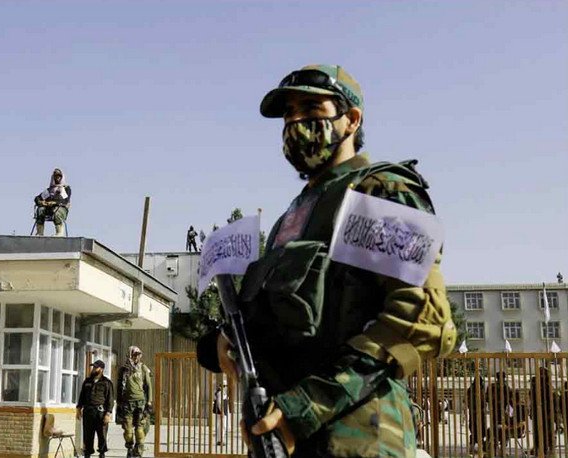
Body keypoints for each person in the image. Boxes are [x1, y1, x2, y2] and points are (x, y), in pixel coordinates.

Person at [195, 64, 456, 457]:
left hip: (360, 440)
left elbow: (420, 319)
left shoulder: (377, 190)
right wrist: (224, 338)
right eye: (289, 113)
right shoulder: (295, 215)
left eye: (311, 109)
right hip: (288, 438)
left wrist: (304, 407)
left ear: (351, 119)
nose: (295, 122)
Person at [116, 346, 153, 457]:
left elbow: (148, 386)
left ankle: (138, 451)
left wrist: (149, 402)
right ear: (129, 355)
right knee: (128, 431)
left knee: (139, 429)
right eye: (134, 355)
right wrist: (119, 403)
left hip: (140, 402)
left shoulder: (143, 368)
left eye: (138, 355)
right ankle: (129, 447)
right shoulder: (123, 370)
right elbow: (119, 386)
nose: (136, 357)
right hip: (127, 403)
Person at [76, 360, 114, 458]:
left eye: (96, 367)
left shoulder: (106, 382)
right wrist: (78, 409)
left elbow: (110, 399)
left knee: (102, 434)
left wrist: (108, 414)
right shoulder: (87, 381)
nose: (93, 369)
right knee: (88, 434)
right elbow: (82, 396)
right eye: (93, 367)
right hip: (88, 411)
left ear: (101, 369)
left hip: (100, 412)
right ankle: (87, 453)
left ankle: (102, 453)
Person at [34, 168, 71, 237]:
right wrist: (41, 202)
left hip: (61, 208)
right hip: (49, 209)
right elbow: (37, 198)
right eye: (56, 176)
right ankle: (39, 233)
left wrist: (54, 202)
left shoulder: (65, 188)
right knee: (40, 210)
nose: (57, 177)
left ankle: (59, 233)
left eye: (59, 176)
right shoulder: (50, 190)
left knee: (57, 212)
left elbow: (65, 200)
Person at [530, 366, 557, 457]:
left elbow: (551, 401)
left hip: (546, 413)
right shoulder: (535, 385)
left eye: (542, 373)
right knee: (537, 431)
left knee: (545, 432)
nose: (540, 375)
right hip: (538, 412)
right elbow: (532, 399)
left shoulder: (547, 386)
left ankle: (544, 450)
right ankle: (538, 449)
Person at [486, 371, 514, 455]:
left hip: (494, 411)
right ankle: (503, 448)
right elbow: (511, 401)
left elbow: (486, 398)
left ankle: (494, 448)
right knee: (504, 430)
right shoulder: (507, 388)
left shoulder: (491, 387)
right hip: (503, 412)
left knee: (494, 429)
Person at [466, 376, 487, 455]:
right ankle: (478, 447)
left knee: (475, 428)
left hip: (474, 412)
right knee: (479, 428)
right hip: (478, 412)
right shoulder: (479, 389)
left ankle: (474, 446)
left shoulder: (470, 389)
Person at [212, 381, 230, 446]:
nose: (225, 387)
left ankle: (219, 440)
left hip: (221, 412)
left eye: (225, 386)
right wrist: (222, 411)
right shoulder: (220, 393)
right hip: (221, 412)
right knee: (223, 426)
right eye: (224, 386)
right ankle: (220, 440)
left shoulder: (221, 392)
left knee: (220, 426)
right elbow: (219, 403)